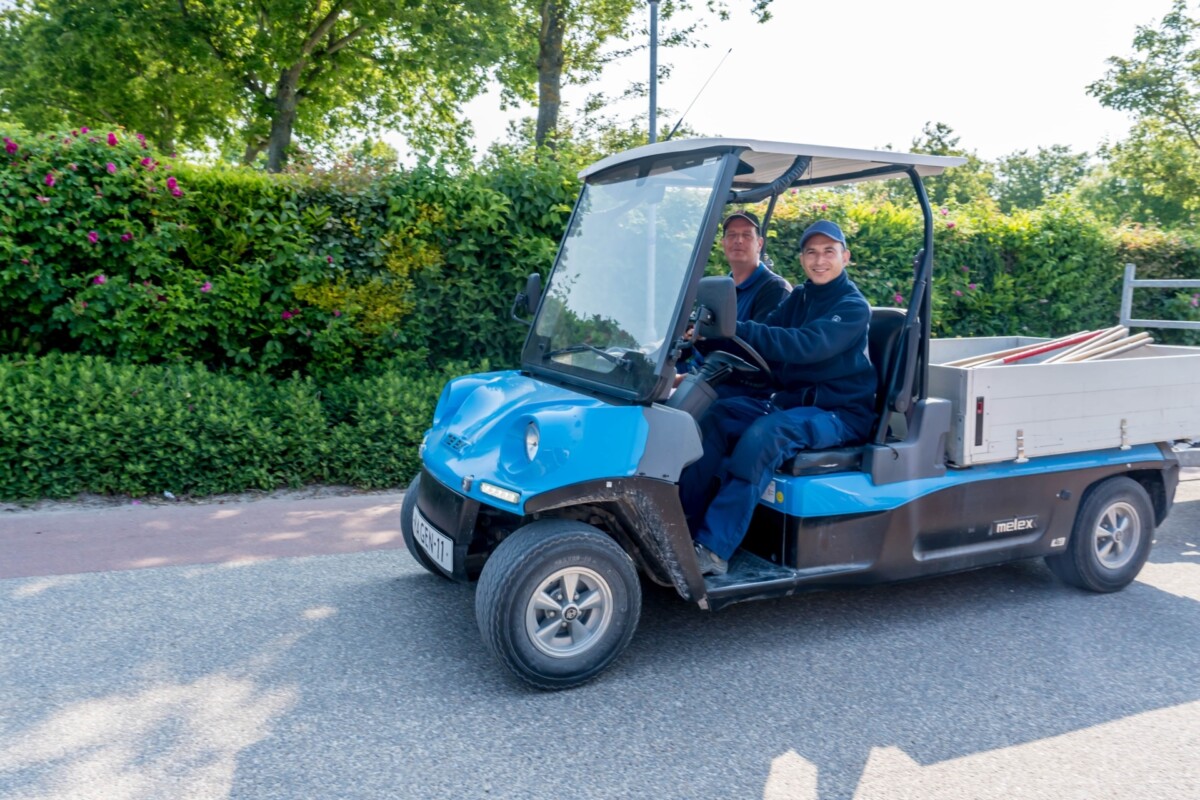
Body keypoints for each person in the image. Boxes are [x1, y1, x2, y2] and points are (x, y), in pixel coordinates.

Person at [680, 219, 877, 576]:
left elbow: (806, 345)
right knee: (717, 415)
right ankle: (680, 527)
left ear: (845, 257)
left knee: (766, 435)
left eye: (828, 252)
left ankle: (713, 548)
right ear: (802, 259)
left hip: (839, 413)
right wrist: (709, 333)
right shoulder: (800, 297)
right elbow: (766, 332)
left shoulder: (852, 307)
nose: (819, 260)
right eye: (811, 253)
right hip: (794, 403)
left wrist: (736, 327)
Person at [677, 211, 790, 382]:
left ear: (759, 244)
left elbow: (755, 358)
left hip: (733, 385)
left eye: (746, 235)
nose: (739, 240)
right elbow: (693, 343)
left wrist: (680, 380)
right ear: (723, 243)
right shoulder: (718, 288)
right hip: (699, 374)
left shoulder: (775, 290)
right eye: (732, 235)